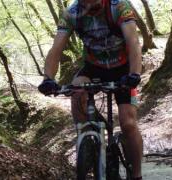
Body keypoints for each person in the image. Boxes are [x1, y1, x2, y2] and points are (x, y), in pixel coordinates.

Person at [38, 0, 143, 179]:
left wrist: (134, 74)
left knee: (128, 123)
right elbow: (56, 48)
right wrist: (48, 78)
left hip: (123, 68)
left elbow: (133, 42)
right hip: (93, 67)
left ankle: (137, 175)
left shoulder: (119, 7)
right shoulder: (71, 13)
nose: (90, 5)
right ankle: (89, 144)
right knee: (77, 89)